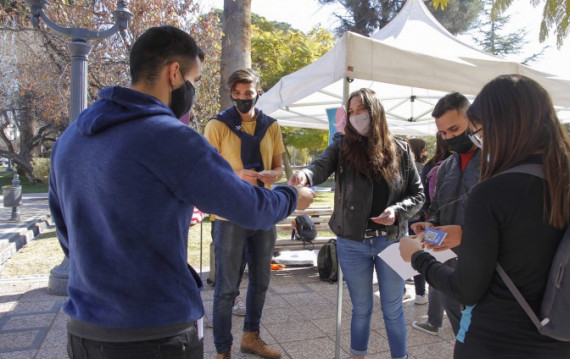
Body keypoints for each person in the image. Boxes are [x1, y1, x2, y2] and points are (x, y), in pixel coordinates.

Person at [48, 26, 314, 359]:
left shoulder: (70, 138)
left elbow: (66, 236)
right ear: (174, 73)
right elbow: (248, 207)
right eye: (195, 80)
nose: (194, 91)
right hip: (156, 330)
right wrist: (294, 198)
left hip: (84, 330)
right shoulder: (169, 137)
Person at [400, 74, 570, 358]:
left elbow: (467, 288)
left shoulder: (496, 187)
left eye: (481, 130)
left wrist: (416, 256)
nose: (476, 139)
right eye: (444, 133)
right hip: (566, 337)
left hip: (500, 335)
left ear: (506, 126)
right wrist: (441, 227)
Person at [289, 88, 424, 359]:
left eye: (360, 109)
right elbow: (320, 166)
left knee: (393, 308)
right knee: (361, 308)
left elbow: (418, 195)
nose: (355, 116)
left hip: (391, 240)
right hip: (352, 241)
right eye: (351, 111)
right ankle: (357, 355)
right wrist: (305, 174)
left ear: (375, 111)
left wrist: (397, 211)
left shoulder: (400, 149)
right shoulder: (341, 145)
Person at [204, 68, 286, 359]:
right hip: (230, 215)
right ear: (231, 94)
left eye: (248, 94)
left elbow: (279, 168)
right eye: (237, 95)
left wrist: (271, 174)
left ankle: (251, 337)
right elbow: (207, 170)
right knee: (227, 288)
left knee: (261, 282)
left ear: (258, 93)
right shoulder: (217, 125)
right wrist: (236, 174)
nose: (242, 99)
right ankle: (222, 351)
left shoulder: (271, 126)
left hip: (263, 211)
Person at [409, 92, 480, 336]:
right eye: (443, 133)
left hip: (482, 261)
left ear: (472, 120)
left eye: (454, 129)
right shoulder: (447, 166)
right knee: (456, 319)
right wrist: (429, 223)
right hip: (447, 262)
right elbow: (438, 207)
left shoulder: (497, 162)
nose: (449, 137)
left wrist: (466, 235)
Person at [411, 133, 452, 332]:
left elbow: (427, 199)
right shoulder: (466, 164)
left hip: (435, 226)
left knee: (436, 271)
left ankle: (435, 321)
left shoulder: (431, 166)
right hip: (449, 228)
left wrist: (428, 220)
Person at [406, 138, 428, 304]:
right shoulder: (424, 169)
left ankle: (405, 290)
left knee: (406, 253)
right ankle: (421, 292)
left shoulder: (404, 168)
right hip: (421, 218)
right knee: (419, 254)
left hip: (404, 217)